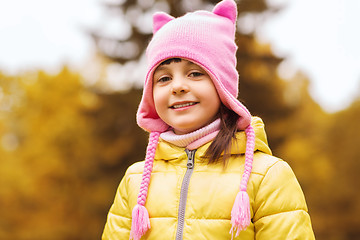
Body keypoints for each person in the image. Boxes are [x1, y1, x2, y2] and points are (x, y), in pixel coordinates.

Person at [102, 0, 315, 239]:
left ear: (222, 85)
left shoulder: (267, 175)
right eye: (163, 78)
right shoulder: (136, 179)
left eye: (195, 73)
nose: (178, 86)